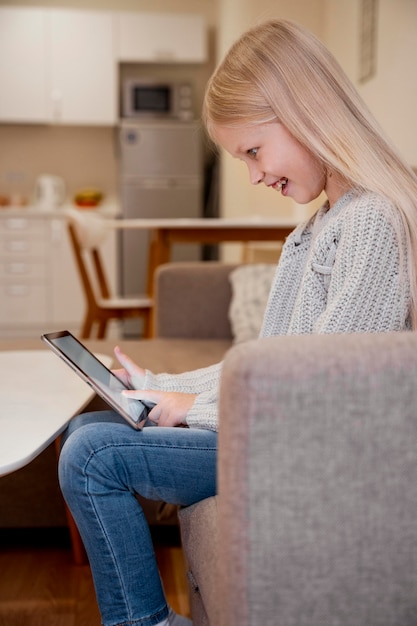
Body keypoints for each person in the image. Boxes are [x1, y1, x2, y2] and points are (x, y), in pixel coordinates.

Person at [58, 18, 417, 626]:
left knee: (92, 454)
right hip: (279, 433)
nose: (254, 175)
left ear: (305, 113)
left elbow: (321, 398)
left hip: (303, 448)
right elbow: (270, 365)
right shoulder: (316, 229)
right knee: (85, 435)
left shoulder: (370, 221)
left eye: (254, 150)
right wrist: (171, 386)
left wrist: (186, 409)